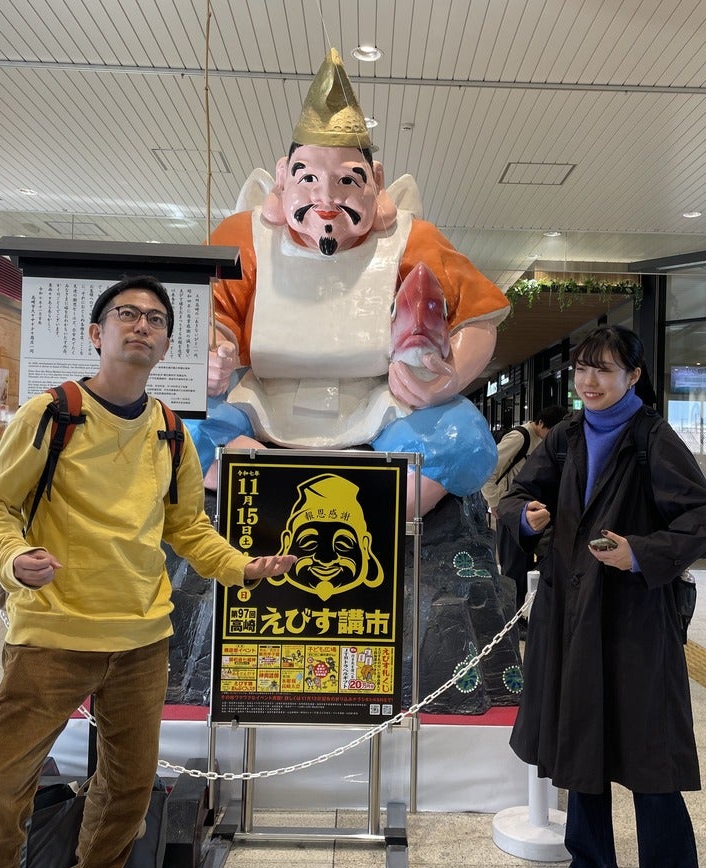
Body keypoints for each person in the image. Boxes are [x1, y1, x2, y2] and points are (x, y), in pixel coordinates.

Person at [0, 275, 296, 868]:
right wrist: (14, 556)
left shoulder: (171, 430)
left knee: (128, 789)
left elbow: (187, 527)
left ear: (166, 345)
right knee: (0, 792)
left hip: (141, 640)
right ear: (97, 332)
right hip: (52, 636)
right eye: (127, 314)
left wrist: (242, 567)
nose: (142, 325)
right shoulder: (52, 413)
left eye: (156, 320)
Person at [191, 48, 511, 518]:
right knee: (178, 428)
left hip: (379, 401)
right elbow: (210, 311)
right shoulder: (244, 236)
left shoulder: (413, 239)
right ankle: (274, 501)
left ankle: (378, 517)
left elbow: (476, 318)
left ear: (375, 181)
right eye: (308, 178)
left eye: (346, 181)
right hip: (258, 398)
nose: (325, 198)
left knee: (464, 441)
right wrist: (209, 356)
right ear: (282, 177)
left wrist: (449, 378)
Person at [499, 326, 706, 868]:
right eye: (582, 369)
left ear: (634, 376)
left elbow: (705, 516)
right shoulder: (568, 435)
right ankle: (592, 866)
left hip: (632, 619)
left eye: (603, 369)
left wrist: (640, 553)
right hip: (571, 613)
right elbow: (515, 496)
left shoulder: (652, 437)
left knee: (649, 748)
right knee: (583, 740)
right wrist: (527, 517)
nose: (589, 381)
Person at [481, 405, 566, 615]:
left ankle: (523, 614)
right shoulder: (520, 437)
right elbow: (488, 469)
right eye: (551, 431)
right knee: (514, 569)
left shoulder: (543, 443)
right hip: (511, 511)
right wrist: (495, 503)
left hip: (532, 514)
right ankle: (512, 616)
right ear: (541, 423)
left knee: (528, 566)